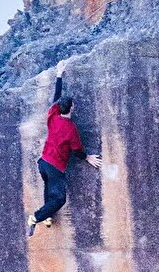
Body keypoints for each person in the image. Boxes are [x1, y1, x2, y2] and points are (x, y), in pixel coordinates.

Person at [28, 75, 104, 237]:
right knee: (59, 198)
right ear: (71, 108)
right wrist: (88, 158)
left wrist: (59, 77)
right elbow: (77, 150)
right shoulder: (70, 129)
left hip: (43, 162)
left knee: (49, 188)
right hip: (55, 166)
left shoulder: (53, 116)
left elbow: (55, 98)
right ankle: (35, 217)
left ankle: (48, 215)